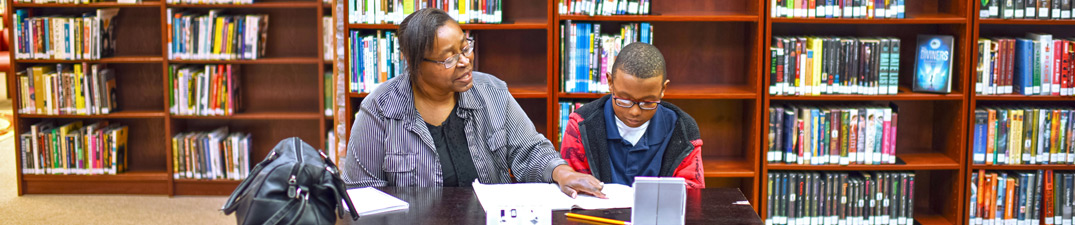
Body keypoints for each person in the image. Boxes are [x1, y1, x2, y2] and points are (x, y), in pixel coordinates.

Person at [343, 8, 605, 198]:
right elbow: (363, 193)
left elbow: (530, 150)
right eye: (448, 58)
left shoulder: (492, 92)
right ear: (414, 63)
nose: (465, 61)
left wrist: (562, 172)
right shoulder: (380, 110)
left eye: (465, 47)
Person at [559, 42, 705, 188]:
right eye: (624, 100)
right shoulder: (581, 125)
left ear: (663, 89)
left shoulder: (683, 130)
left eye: (647, 102)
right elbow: (574, 188)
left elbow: (690, 194)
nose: (635, 112)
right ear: (610, 82)